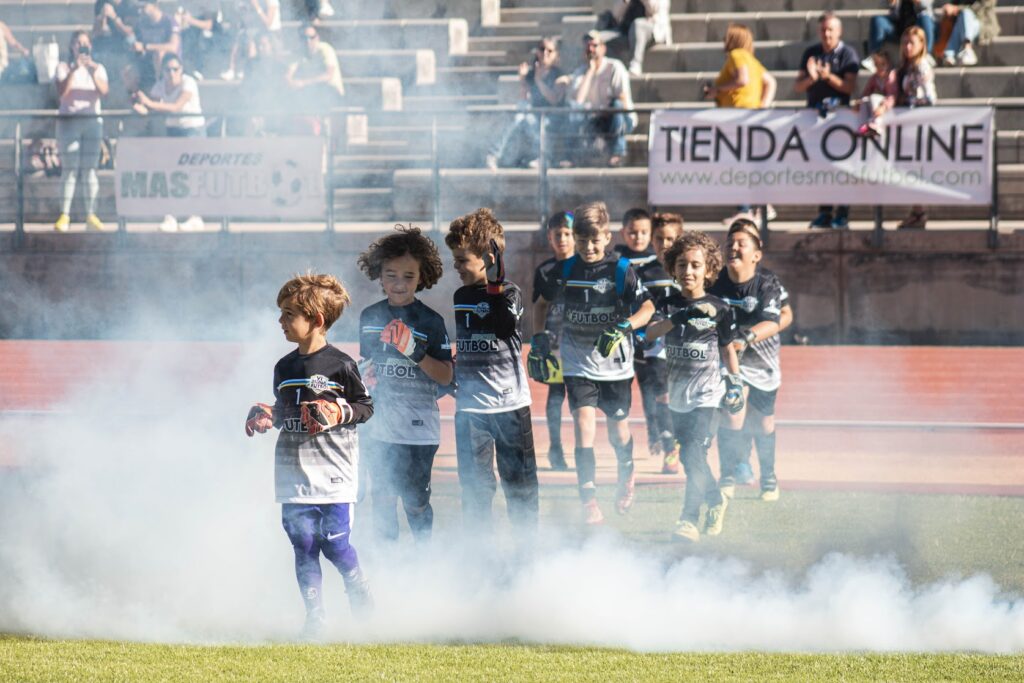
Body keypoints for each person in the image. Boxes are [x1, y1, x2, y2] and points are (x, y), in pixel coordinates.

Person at [243, 272, 374, 639]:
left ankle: (356, 582)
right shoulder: (284, 368)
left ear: (316, 320)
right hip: (292, 473)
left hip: (334, 472)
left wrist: (338, 412)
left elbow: (365, 407)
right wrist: (268, 415)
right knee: (303, 546)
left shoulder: (341, 365)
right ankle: (315, 617)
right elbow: (287, 412)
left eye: (288, 314)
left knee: (334, 544)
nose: (280, 321)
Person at [530, 201, 654, 524]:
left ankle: (627, 473)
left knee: (617, 433)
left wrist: (625, 326)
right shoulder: (565, 270)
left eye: (595, 240)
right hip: (577, 362)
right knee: (584, 426)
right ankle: (588, 498)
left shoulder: (621, 269)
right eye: (581, 240)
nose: (588, 247)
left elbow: (648, 310)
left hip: (616, 365)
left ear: (608, 237)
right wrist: (539, 338)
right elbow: (540, 304)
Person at [445, 209, 539, 539]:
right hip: (471, 410)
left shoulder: (510, 293)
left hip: (510, 406)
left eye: (461, 260)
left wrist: (496, 286)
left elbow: (503, 327)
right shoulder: (460, 297)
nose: (455, 267)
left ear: (488, 257)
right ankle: (479, 558)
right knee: (475, 489)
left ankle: (526, 557)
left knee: (520, 485)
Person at [357, 226, 453, 544]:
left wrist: (414, 351)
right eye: (391, 275)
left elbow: (446, 376)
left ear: (421, 277)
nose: (399, 284)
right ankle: (389, 567)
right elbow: (368, 367)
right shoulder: (369, 316)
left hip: (418, 430)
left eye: (408, 277)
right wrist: (364, 375)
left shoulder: (431, 322)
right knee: (382, 499)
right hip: (379, 426)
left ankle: (423, 558)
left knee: (415, 502)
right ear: (379, 276)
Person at [644, 231, 742, 543]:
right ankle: (715, 497)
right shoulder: (668, 303)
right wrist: (681, 315)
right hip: (678, 398)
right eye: (683, 265)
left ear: (709, 270)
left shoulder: (721, 308)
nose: (689, 271)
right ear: (673, 268)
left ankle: (688, 520)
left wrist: (735, 384)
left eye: (696, 265)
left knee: (693, 452)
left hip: (708, 397)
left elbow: (727, 349)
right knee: (690, 459)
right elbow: (650, 333)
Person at [710, 219, 792, 502]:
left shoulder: (767, 283)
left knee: (763, 423)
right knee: (732, 415)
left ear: (757, 254)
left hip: (763, 364)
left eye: (741, 244)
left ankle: (769, 479)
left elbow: (777, 319)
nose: (733, 248)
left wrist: (745, 338)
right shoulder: (715, 281)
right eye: (729, 243)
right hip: (731, 363)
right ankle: (727, 477)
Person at [704, 23, 778, 224]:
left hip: (737, 116)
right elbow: (771, 82)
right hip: (750, 116)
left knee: (739, 164)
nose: (724, 41)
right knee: (748, 163)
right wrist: (763, 106)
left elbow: (742, 80)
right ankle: (761, 206)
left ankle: (746, 210)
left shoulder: (736, 54)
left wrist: (717, 90)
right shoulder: (751, 59)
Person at [795, 12, 860, 230]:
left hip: (839, 120)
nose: (827, 34)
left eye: (831, 29)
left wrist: (827, 76)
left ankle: (841, 213)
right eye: (823, 29)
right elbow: (798, 86)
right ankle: (824, 212)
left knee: (841, 168)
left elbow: (849, 87)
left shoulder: (848, 54)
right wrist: (813, 77)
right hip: (815, 119)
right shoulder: (811, 53)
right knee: (820, 168)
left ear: (839, 31)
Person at [132, 52, 206, 232]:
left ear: (181, 70)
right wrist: (139, 105)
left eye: (175, 69)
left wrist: (149, 103)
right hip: (174, 131)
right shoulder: (160, 86)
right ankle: (171, 216)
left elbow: (175, 107)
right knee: (173, 175)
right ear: (163, 71)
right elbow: (150, 106)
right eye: (167, 69)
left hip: (192, 131)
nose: (172, 73)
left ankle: (195, 217)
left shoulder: (189, 83)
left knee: (190, 175)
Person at [531, 211, 575, 471]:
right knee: (556, 395)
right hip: (556, 342)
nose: (562, 239)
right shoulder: (545, 270)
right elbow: (538, 306)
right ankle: (556, 447)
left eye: (567, 234)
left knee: (587, 396)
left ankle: (586, 446)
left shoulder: (585, 265)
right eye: (557, 234)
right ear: (549, 237)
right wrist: (539, 340)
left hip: (582, 343)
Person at [53, 31, 110, 233]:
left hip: (92, 122)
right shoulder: (63, 67)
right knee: (69, 169)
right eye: (78, 43)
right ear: (72, 46)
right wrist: (74, 69)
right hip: (69, 122)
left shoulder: (99, 68)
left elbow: (104, 91)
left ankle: (91, 214)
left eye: (85, 43)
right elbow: (62, 92)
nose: (82, 46)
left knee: (89, 170)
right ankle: (64, 215)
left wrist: (91, 71)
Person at [486, 37, 565, 171]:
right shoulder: (531, 74)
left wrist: (538, 80)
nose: (545, 53)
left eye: (549, 51)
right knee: (518, 116)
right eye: (542, 49)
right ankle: (493, 155)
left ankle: (545, 158)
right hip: (533, 116)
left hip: (553, 117)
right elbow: (524, 99)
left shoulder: (559, 75)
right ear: (537, 52)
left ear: (555, 54)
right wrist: (523, 80)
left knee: (532, 120)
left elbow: (554, 99)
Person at [644, 212, 684, 473]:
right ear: (652, 240)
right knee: (661, 394)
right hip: (655, 343)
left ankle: (685, 439)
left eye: (671, 238)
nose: (665, 244)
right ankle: (670, 448)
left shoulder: (688, 266)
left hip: (685, 343)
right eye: (660, 238)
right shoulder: (643, 271)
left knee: (683, 396)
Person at [563, 31, 637, 167]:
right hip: (593, 120)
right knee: (573, 109)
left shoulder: (614, 67)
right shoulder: (580, 72)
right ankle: (570, 156)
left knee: (616, 104)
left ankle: (617, 153)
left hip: (618, 118)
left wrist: (604, 110)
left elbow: (622, 99)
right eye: (587, 47)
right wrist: (590, 72)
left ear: (603, 48)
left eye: (594, 45)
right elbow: (578, 101)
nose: (591, 50)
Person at [895, 26, 937, 230]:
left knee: (917, 169)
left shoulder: (921, 67)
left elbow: (930, 98)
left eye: (912, 43)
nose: (908, 47)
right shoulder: (907, 67)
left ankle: (919, 212)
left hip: (919, 123)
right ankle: (916, 211)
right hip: (909, 123)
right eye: (905, 43)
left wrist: (909, 101)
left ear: (921, 45)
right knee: (911, 170)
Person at [287, 23, 344, 132]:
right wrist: (290, 83)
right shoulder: (299, 53)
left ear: (317, 37)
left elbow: (328, 75)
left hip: (332, 93)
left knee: (323, 92)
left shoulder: (325, 49)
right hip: (311, 94)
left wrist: (303, 83)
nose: (308, 41)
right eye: (304, 38)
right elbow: (288, 74)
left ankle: (323, 127)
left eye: (311, 38)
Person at [594, 0, 672, 76]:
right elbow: (616, 15)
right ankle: (605, 72)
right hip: (625, 31)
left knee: (638, 24)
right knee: (597, 38)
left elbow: (654, 9)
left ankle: (635, 64)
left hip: (652, 28)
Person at [220, 0, 281, 81]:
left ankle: (248, 70)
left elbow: (268, 22)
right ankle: (233, 69)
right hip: (255, 29)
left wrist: (256, 6)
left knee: (251, 42)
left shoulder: (271, 2)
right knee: (239, 38)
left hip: (271, 33)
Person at [866, 1, 936, 64]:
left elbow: (925, 3)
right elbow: (882, 5)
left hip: (918, 27)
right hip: (898, 26)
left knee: (925, 18)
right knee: (878, 20)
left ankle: (926, 54)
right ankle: (874, 56)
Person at [132, 0, 181, 90]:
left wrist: (146, 47)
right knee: (128, 71)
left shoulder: (169, 21)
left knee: (159, 54)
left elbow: (173, 47)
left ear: (154, 5)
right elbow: (139, 44)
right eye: (139, 7)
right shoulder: (141, 23)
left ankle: (161, 87)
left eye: (143, 7)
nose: (140, 11)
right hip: (146, 62)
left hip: (168, 62)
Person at [938, 1, 999, 67]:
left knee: (966, 13)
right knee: (961, 19)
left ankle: (967, 49)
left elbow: (981, 6)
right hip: (961, 24)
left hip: (982, 23)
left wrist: (957, 8)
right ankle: (950, 55)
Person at [856, 49, 898, 138]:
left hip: (885, 104)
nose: (880, 68)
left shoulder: (891, 77)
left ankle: (876, 124)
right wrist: (859, 101)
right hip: (876, 103)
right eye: (877, 65)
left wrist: (883, 106)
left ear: (888, 64)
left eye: (883, 64)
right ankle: (863, 124)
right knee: (865, 101)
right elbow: (866, 92)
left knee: (873, 97)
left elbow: (892, 96)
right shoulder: (874, 78)